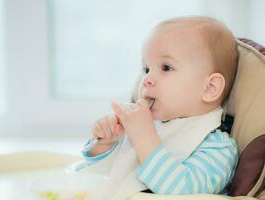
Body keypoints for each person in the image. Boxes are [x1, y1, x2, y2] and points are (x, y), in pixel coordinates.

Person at [78, 16, 239, 199]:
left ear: (210, 88)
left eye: (166, 67)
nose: (146, 79)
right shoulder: (146, 124)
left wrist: (144, 136)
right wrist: (104, 144)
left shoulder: (217, 148)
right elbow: (106, 176)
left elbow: (183, 191)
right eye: (146, 68)